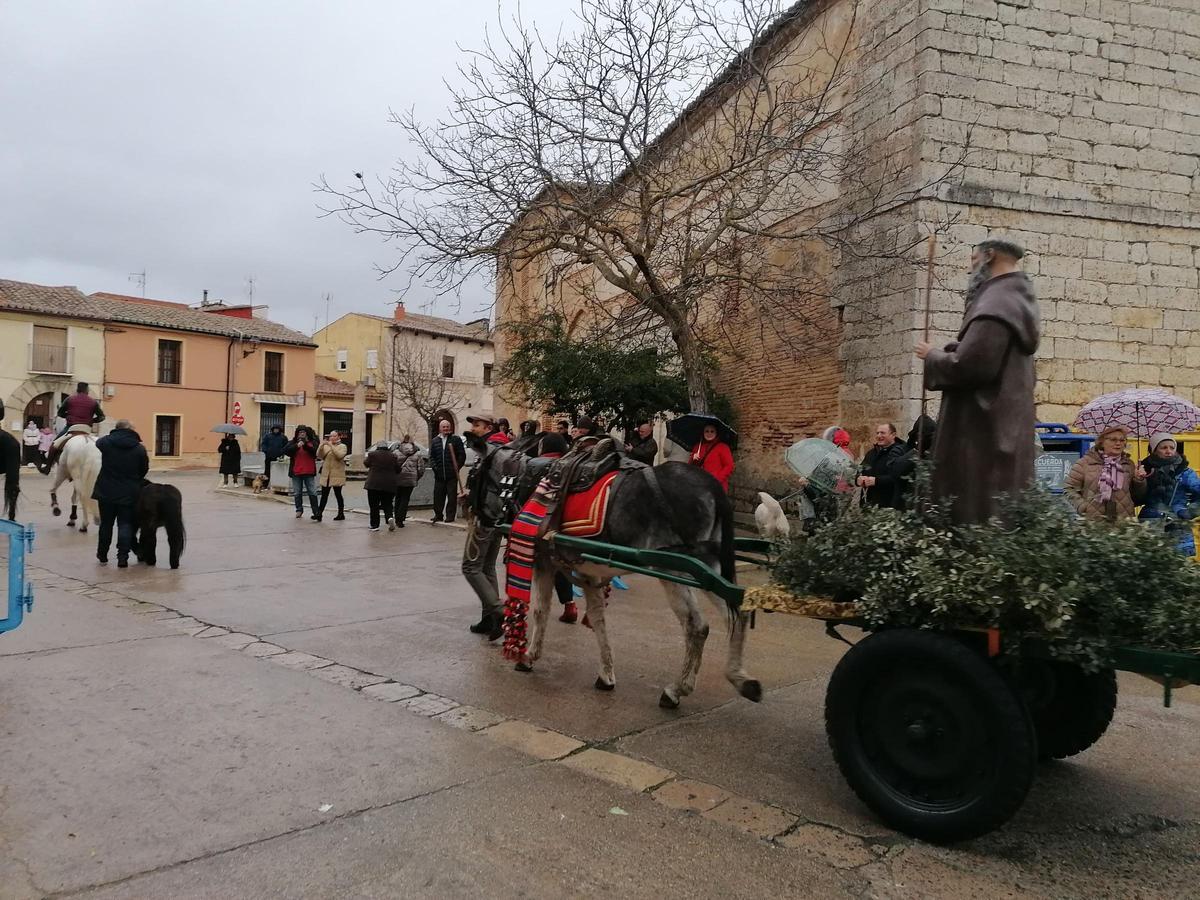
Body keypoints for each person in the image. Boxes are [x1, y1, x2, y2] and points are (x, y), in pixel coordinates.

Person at [917, 238, 1041, 524]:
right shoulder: (1017, 298)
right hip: (1006, 422)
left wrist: (933, 356)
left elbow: (973, 366)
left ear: (989, 256)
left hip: (983, 430)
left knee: (977, 505)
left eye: (974, 258)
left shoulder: (996, 302)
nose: (970, 266)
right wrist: (954, 349)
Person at [461, 413, 510, 639]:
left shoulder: (491, 450)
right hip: (498, 515)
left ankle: (498, 611)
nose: (474, 428)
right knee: (487, 568)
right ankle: (489, 618)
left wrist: (474, 502)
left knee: (470, 567)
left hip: (486, 515)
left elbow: (488, 486)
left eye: (477, 425)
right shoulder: (503, 448)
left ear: (489, 427)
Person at [92, 419, 149, 568]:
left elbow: (98, 442)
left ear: (116, 429)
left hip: (105, 491)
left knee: (106, 524)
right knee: (125, 524)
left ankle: (102, 554)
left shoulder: (106, 443)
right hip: (129, 491)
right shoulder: (139, 449)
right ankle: (122, 557)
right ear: (130, 430)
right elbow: (143, 470)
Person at [1063, 426, 1146, 523]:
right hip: (1093, 524)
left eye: (1122, 440)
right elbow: (1069, 489)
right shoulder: (1085, 463)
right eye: (1113, 440)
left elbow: (1138, 497)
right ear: (1101, 442)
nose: (1118, 443)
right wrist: (1083, 507)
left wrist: (1139, 480)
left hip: (1123, 524)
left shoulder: (1129, 465)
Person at [1136, 433, 1200, 554]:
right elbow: (1135, 499)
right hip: (1150, 525)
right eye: (1163, 447)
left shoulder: (1186, 473)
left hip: (1178, 525)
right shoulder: (1144, 470)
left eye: (1172, 447)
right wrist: (1139, 480)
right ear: (1154, 450)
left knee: (1177, 568)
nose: (1168, 451)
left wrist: (1188, 512)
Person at [40, 382, 105, 473]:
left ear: (77, 390)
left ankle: (47, 467)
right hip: (86, 428)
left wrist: (68, 416)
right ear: (87, 390)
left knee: (54, 445)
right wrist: (92, 420)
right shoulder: (93, 402)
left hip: (71, 427)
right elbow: (102, 417)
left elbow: (60, 413)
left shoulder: (69, 399)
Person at [856, 423, 909, 509]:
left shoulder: (900, 453)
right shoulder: (871, 453)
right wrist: (858, 479)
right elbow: (860, 470)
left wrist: (876, 481)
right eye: (877, 433)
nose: (879, 435)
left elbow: (899, 477)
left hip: (889, 506)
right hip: (869, 505)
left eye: (882, 433)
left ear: (893, 435)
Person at [429, 419, 465, 524]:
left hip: (451, 474)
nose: (446, 429)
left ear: (450, 428)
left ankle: (450, 516)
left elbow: (462, 455)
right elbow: (432, 457)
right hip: (439, 474)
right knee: (438, 495)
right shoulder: (435, 441)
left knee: (451, 496)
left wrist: (456, 467)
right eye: (443, 427)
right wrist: (435, 468)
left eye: (447, 427)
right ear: (440, 428)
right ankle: (438, 515)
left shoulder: (456, 440)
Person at [284, 425, 320, 520]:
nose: (302, 434)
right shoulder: (293, 442)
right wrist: (296, 446)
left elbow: (315, 452)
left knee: (312, 492)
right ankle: (299, 510)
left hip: (309, 471)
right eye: (300, 432)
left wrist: (306, 445)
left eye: (304, 432)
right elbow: (286, 451)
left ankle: (315, 511)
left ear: (307, 433)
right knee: (297, 492)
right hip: (296, 472)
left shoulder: (313, 442)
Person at [364, 440, 401, 531]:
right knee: (388, 503)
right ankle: (389, 518)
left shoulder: (372, 454)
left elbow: (366, 463)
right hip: (389, 484)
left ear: (378, 446)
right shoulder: (393, 456)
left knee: (374, 505)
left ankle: (374, 525)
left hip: (374, 484)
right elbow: (398, 469)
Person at [689, 423, 734, 492]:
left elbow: (729, 466)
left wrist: (717, 480)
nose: (709, 433)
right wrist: (693, 459)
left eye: (712, 431)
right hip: (699, 485)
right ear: (703, 432)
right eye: (706, 431)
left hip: (716, 486)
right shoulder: (697, 447)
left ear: (716, 432)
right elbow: (690, 468)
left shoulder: (723, 447)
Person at [316, 431, 348, 521]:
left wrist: (331, 446)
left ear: (338, 437)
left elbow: (339, 456)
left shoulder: (342, 446)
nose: (332, 438)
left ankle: (341, 514)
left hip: (337, 475)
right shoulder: (327, 446)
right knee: (324, 495)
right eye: (331, 436)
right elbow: (319, 455)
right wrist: (321, 445)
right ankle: (319, 514)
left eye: (334, 436)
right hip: (326, 475)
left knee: (338, 494)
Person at [392, 436, 424, 526]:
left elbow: (392, 466)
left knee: (398, 497)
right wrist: (416, 477)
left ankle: (396, 516)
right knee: (405, 499)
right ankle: (401, 520)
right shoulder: (417, 453)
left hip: (398, 478)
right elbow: (421, 469)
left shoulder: (396, 452)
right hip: (410, 480)